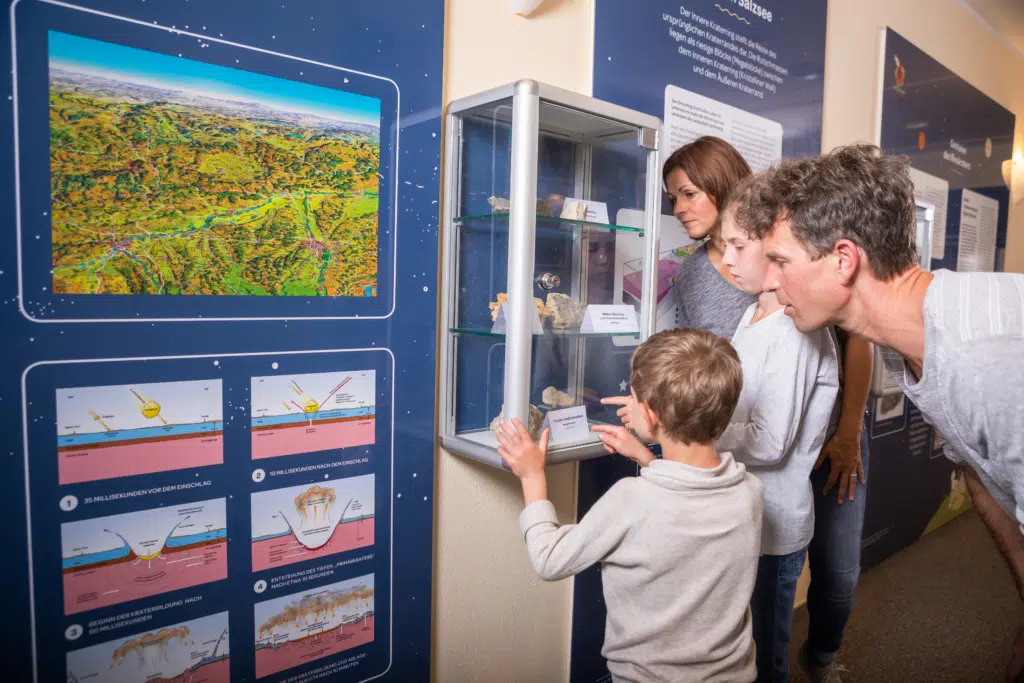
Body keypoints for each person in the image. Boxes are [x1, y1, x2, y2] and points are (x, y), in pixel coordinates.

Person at [739, 143, 1024, 681]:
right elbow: (986, 481)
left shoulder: (986, 360)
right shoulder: (906, 340)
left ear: (843, 259)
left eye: (780, 261)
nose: (770, 281)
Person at [664, 137, 874, 682]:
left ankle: (823, 656)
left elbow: (773, 434)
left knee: (829, 578)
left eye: (689, 193)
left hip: (803, 457)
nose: (680, 207)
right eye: (673, 198)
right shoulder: (718, 290)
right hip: (746, 487)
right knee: (743, 631)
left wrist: (847, 430)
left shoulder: (794, 317)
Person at [498, 329, 763, 683]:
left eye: (632, 396)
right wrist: (644, 455)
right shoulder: (749, 492)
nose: (628, 400)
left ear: (650, 415)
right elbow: (684, 508)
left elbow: (549, 558)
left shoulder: (632, 501)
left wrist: (532, 477)